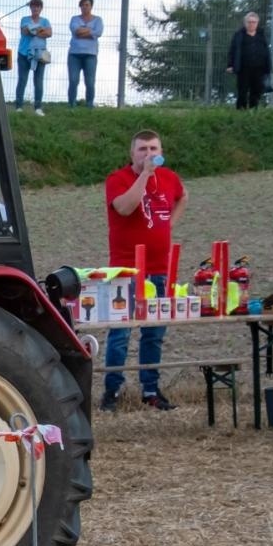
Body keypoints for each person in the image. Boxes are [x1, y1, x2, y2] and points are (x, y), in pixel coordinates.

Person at [102, 130, 187, 413]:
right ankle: (112, 391)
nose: (148, 153)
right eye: (142, 149)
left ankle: (150, 389)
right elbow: (124, 208)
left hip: (159, 268)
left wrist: (168, 226)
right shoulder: (118, 180)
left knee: (154, 332)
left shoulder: (170, 178)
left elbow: (183, 197)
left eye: (153, 148)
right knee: (121, 333)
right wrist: (144, 176)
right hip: (126, 269)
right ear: (132, 153)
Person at [14, 0, 51, 115]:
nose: (35, 8)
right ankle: (19, 106)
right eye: (33, 6)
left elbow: (49, 33)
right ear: (30, 8)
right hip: (24, 53)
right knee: (22, 79)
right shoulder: (24, 19)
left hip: (39, 54)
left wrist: (34, 30)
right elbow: (25, 31)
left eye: (38, 6)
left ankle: (38, 107)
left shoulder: (45, 21)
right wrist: (40, 31)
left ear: (41, 8)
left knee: (39, 81)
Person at [227, 12, 271, 110]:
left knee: (257, 90)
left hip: (259, 68)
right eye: (249, 22)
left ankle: (253, 110)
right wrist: (230, 65)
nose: (251, 24)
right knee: (242, 90)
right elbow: (232, 50)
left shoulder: (261, 35)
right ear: (245, 23)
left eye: (254, 22)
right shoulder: (239, 35)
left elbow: (266, 51)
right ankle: (241, 111)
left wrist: (268, 66)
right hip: (243, 68)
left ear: (257, 23)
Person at [67, 0, 102, 108]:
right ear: (80, 7)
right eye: (83, 5)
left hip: (90, 55)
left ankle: (89, 105)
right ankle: (72, 104)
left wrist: (84, 31)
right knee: (73, 80)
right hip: (74, 55)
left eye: (87, 5)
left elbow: (99, 32)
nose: (85, 7)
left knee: (90, 82)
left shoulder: (98, 20)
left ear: (91, 6)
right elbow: (76, 31)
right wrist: (91, 32)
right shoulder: (74, 19)